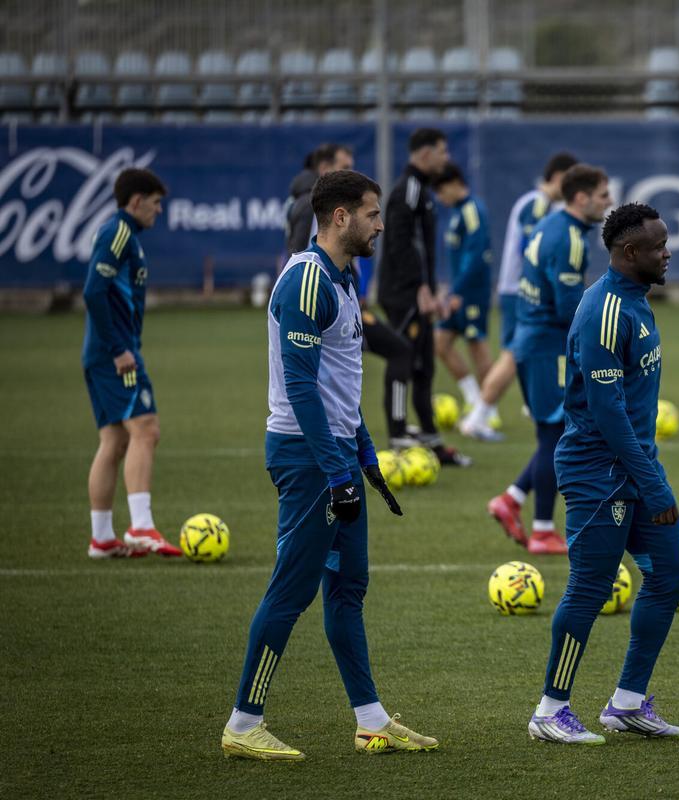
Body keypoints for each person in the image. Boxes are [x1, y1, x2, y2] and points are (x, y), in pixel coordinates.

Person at [221, 169, 435, 761]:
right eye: (371, 213)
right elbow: (300, 387)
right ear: (340, 217)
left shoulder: (345, 275)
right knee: (291, 591)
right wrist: (337, 470)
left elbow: (340, 381)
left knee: (347, 589)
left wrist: (363, 446)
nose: (381, 223)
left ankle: (371, 720)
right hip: (308, 457)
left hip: (336, 454)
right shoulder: (308, 282)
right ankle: (243, 723)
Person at [528, 202, 679, 744]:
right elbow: (607, 410)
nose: (667, 253)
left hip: (635, 466)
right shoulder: (603, 311)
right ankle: (550, 710)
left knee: (671, 574)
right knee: (590, 589)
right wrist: (652, 481)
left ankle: (626, 701)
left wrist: (647, 472)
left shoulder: (636, 300)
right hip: (600, 472)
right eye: (659, 246)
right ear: (629, 253)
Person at [487, 164, 612, 555]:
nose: (609, 203)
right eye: (603, 195)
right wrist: (603, 333)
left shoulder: (551, 223)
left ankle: (512, 499)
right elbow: (567, 308)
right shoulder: (569, 238)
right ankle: (542, 530)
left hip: (533, 343)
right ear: (581, 197)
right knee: (555, 436)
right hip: (546, 348)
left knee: (556, 433)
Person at [82, 167, 180, 558]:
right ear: (135, 201)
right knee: (146, 429)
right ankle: (141, 526)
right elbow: (93, 292)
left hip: (104, 352)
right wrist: (120, 348)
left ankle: (102, 537)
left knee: (115, 439)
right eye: (156, 204)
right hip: (115, 355)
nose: (159, 211)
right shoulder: (118, 233)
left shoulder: (127, 236)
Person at [460, 151, 578, 441]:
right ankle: (479, 415)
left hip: (519, 291)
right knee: (514, 355)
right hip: (522, 292)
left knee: (525, 353)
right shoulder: (537, 204)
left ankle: (525, 406)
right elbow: (531, 248)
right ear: (559, 177)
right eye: (572, 182)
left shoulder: (542, 204)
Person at [377, 127, 469, 465]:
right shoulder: (409, 190)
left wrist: (433, 287)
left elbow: (422, 247)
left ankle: (430, 438)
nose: (447, 158)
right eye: (443, 152)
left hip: (418, 293)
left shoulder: (424, 193)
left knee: (424, 366)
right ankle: (398, 434)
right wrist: (420, 288)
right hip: (403, 293)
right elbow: (403, 243)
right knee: (402, 357)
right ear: (425, 153)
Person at [430, 162, 494, 411]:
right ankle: (474, 400)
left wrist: (458, 291)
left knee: (476, 344)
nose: (439, 197)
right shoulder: (458, 211)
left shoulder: (472, 211)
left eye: (441, 190)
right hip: (458, 290)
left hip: (471, 292)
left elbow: (476, 256)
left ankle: (489, 410)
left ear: (455, 184)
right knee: (440, 343)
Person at [285, 143, 354, 256]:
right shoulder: (313, 204)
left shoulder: (309, 199)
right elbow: (301, 258)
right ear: (324, 169)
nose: (352, 174)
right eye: (345, 168)